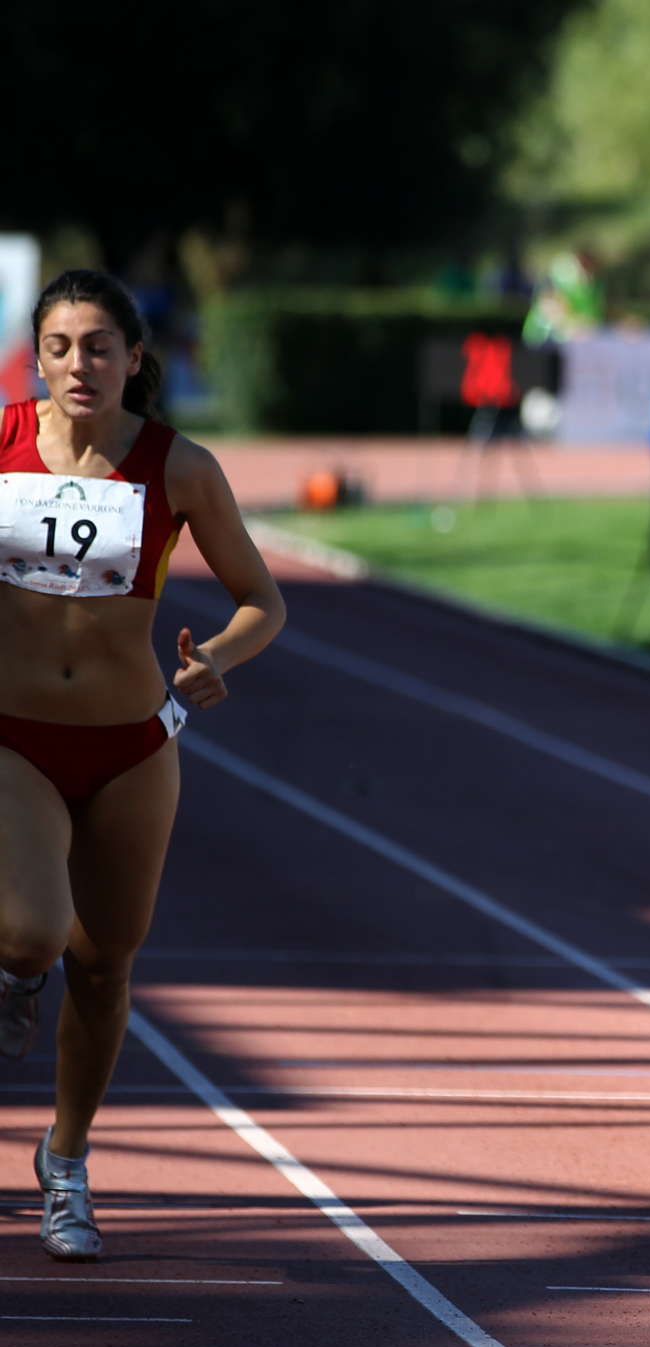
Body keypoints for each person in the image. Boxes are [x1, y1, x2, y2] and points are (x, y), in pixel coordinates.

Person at [0, 270, 285, 1259]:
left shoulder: (179, 466)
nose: (80, 364)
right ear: (37, 357)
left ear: (134, 357)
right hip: (14, 735)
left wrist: (218, 661)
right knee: (33, 934)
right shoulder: (0, 445)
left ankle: (65, 1161)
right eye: (61, 346)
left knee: (104, 963)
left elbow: (262, 600)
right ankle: (13, 973)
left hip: (133, 743)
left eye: (100, 346)